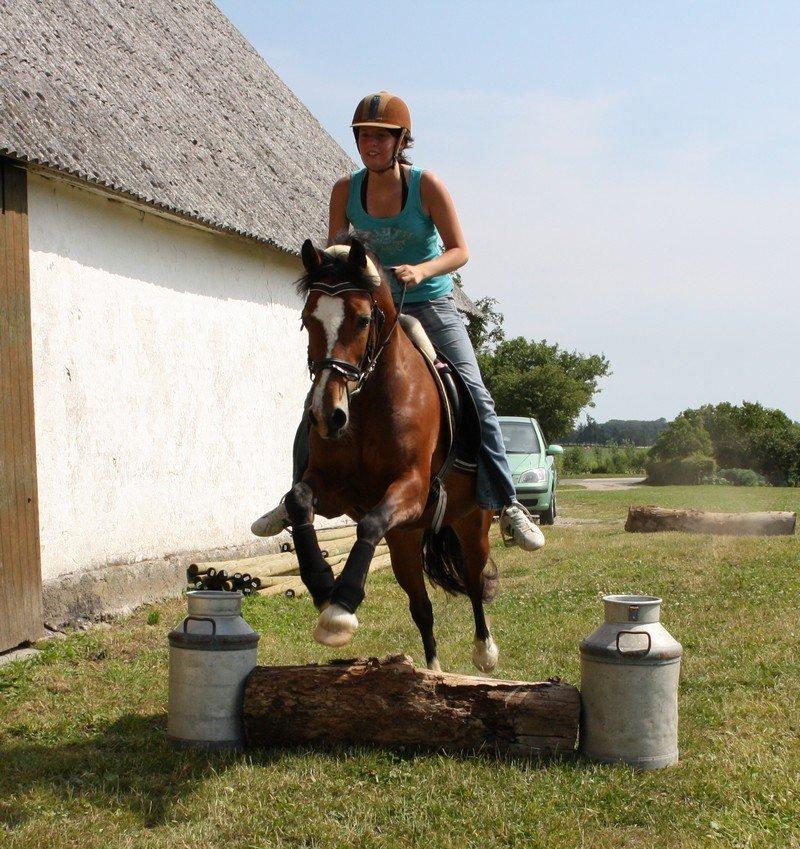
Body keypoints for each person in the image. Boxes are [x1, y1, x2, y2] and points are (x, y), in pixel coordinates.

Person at [253, 91, 544, 552]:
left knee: (475, 392)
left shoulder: (427, 186)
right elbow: (337, 252)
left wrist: (422, 270)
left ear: (400, 141)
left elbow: (460, 250)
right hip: (370, 311)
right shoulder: (344, 190)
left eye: (381, 136)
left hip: (429, 303)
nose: (371, 144)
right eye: (364, 136)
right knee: (322, 391)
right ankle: (295, 500)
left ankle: (507, 502)